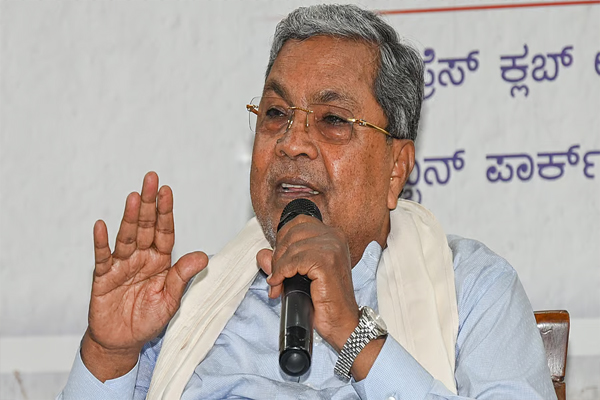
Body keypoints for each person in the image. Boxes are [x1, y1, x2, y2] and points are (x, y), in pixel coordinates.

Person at [58, 4, 556, 400]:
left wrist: (354, 335)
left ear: (395, 168)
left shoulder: (475, 290)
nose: (292, 143)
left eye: (333, 120)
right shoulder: (190, 305)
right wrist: (110, 355)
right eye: (276, 113)